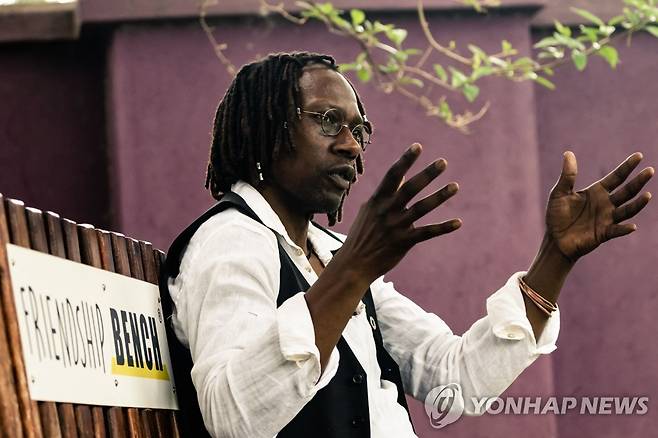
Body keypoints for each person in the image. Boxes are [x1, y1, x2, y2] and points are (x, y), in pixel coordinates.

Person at [159, 52, 654, 438]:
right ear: (265, 131)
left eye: (359, 130)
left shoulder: (328, 252)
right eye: (328, 120)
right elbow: (231, 418)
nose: (351, 145)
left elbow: (455, 380)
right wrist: (353, 269)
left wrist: (555, 258)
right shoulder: (231, 243)